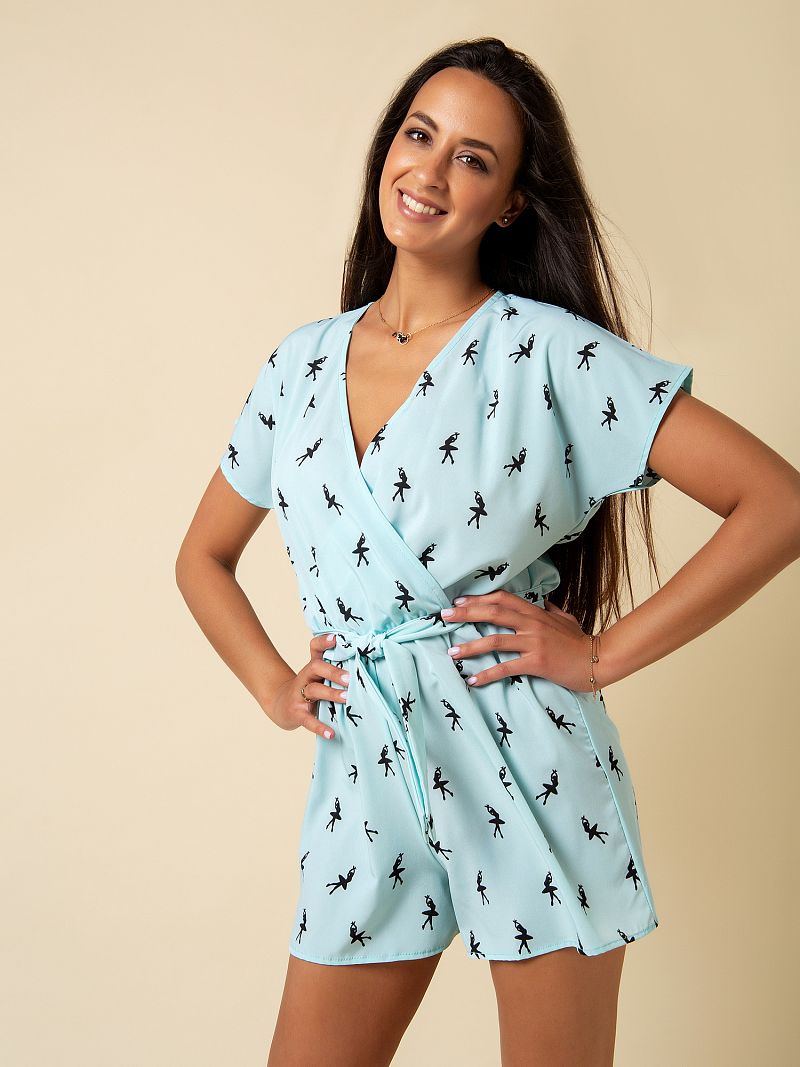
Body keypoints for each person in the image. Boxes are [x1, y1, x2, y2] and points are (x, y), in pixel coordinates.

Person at [175, 36, 800, 1067]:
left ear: (509, 202)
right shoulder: (297, 366)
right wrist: (274, 685)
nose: (429, 170)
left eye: (471, 157)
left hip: (529, 759)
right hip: (364, 768)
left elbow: (775, 501)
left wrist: (599, 655)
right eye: (418, 135)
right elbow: (201, 556)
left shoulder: (548, 353)